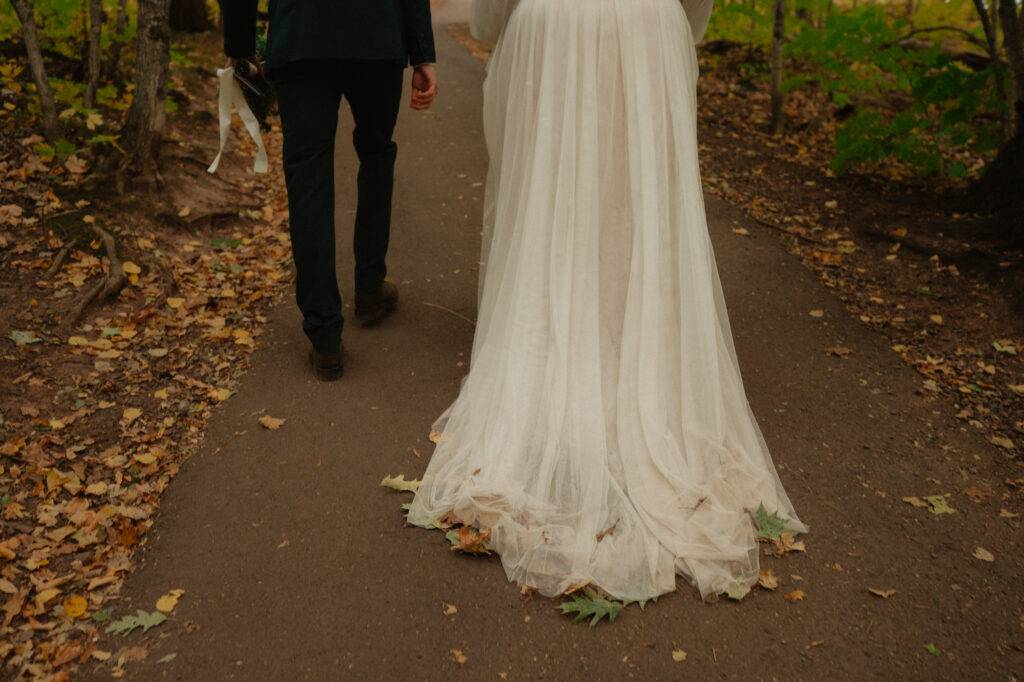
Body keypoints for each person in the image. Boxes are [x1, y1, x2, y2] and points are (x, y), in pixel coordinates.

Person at [408, 0, 805, 602]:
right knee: (636, 199)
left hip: (555, 26)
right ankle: (634, 355)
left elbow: (490, 19)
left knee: (555, 206)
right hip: (647, 28)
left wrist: (493, 25)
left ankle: (557, 367)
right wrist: (678, 25)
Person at [221, 1, 438, 381]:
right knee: (375, 152)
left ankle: (324, 336)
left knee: (308, 174)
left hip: (300, 38)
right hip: (376, 35)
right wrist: (423, 55)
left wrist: (241, 49)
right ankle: (370, 286)